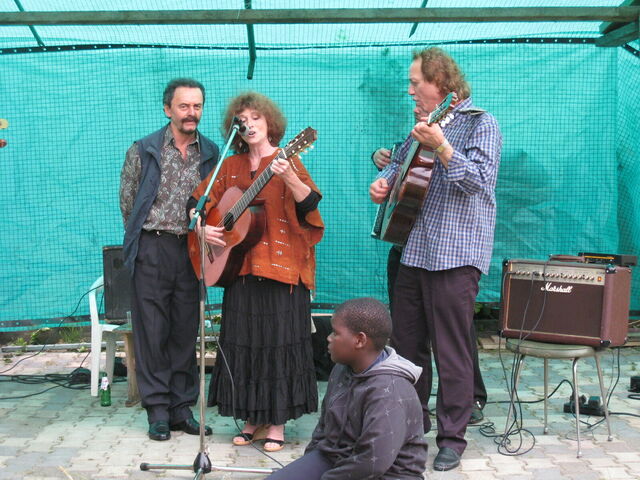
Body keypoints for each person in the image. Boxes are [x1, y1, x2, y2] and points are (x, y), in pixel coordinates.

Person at [369, 47, 502, 471]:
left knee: (451, 350)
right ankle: (412, 428)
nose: (410, 91)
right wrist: (382, 182)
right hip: (413, 250)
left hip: (455, 254)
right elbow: (398, 166)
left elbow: (478, 182)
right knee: (407, 348)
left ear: (439, 82)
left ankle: (452, 438)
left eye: (415, 83)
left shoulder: (481, 123)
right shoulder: (422, 125)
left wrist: (442, 146)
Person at [188, 91, 324, 452]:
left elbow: (310, 205)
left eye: (256, 118)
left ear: (270, 123)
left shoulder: (287, 158)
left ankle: (276, 423)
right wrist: (203, 228)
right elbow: (197, 202)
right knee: (246, 345)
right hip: (239, 270)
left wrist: (289, 176)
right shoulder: (230, 166)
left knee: (277, 347)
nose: (249, 125)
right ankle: (251, 419)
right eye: (242, 120)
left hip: (282, 271)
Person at [119, 78, 219, 441]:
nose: (192, 113)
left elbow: (214, 201)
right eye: (184, 106)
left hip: (190, 249)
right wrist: (145, 240)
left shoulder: (211, 152)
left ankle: (181, 409)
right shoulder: (143, 150)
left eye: (197, 106)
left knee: (184, 331)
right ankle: (158, 411)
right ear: (168, 110)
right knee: (152, 332)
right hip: (152, 247)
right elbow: (129, 203)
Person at [371, 145, 487, 425]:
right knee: (406, 338)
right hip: (408, 245)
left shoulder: (477, 127)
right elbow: (402, 158)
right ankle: (412, 417)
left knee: (452, 338)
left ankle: (465, 405)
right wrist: (382, 170)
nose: (412, 99)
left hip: (450, 251)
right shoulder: (418, 130)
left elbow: (476, 180)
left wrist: (442, 146)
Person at [265, 297, 427, 480]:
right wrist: (307, 465)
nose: (328, 338)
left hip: (387, 473)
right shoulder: (341, 369)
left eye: (335, 333)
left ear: (359, 340)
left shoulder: (389, 391)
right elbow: (323, 429)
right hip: (334, 458)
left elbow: (372, 463)